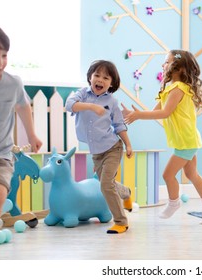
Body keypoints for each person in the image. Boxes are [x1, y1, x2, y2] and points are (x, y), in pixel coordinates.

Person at [122, 50, 202, 223]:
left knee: (168, 175)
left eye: (166, 62)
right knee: (191, 174)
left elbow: (165, 113)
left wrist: (138, 115)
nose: (162, 65)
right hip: (186, 139)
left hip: (186, 141)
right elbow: (156, 111)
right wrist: (135, 114)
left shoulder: (179, 89)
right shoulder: (171, 89)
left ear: (179, 68)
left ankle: (173, 203)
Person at [0, 21, 43, 260]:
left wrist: (31, 134)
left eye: (4, 55)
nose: (0, 62)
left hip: (0, 154)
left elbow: (23, 106)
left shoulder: (13, 83)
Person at [65, 60, 133, 234]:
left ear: (111, 83)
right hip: (96, 152)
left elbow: (119, 125)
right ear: (90, 78)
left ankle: (121, 221)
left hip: (112, 148)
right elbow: (69, 105)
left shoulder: (112, 102)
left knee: (105, 185)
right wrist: (91, 106)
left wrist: (128, 144)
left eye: (105, 77)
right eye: (97, 75)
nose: (100, 80)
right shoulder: (82, 94)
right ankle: (126, 193)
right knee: (107, 183)